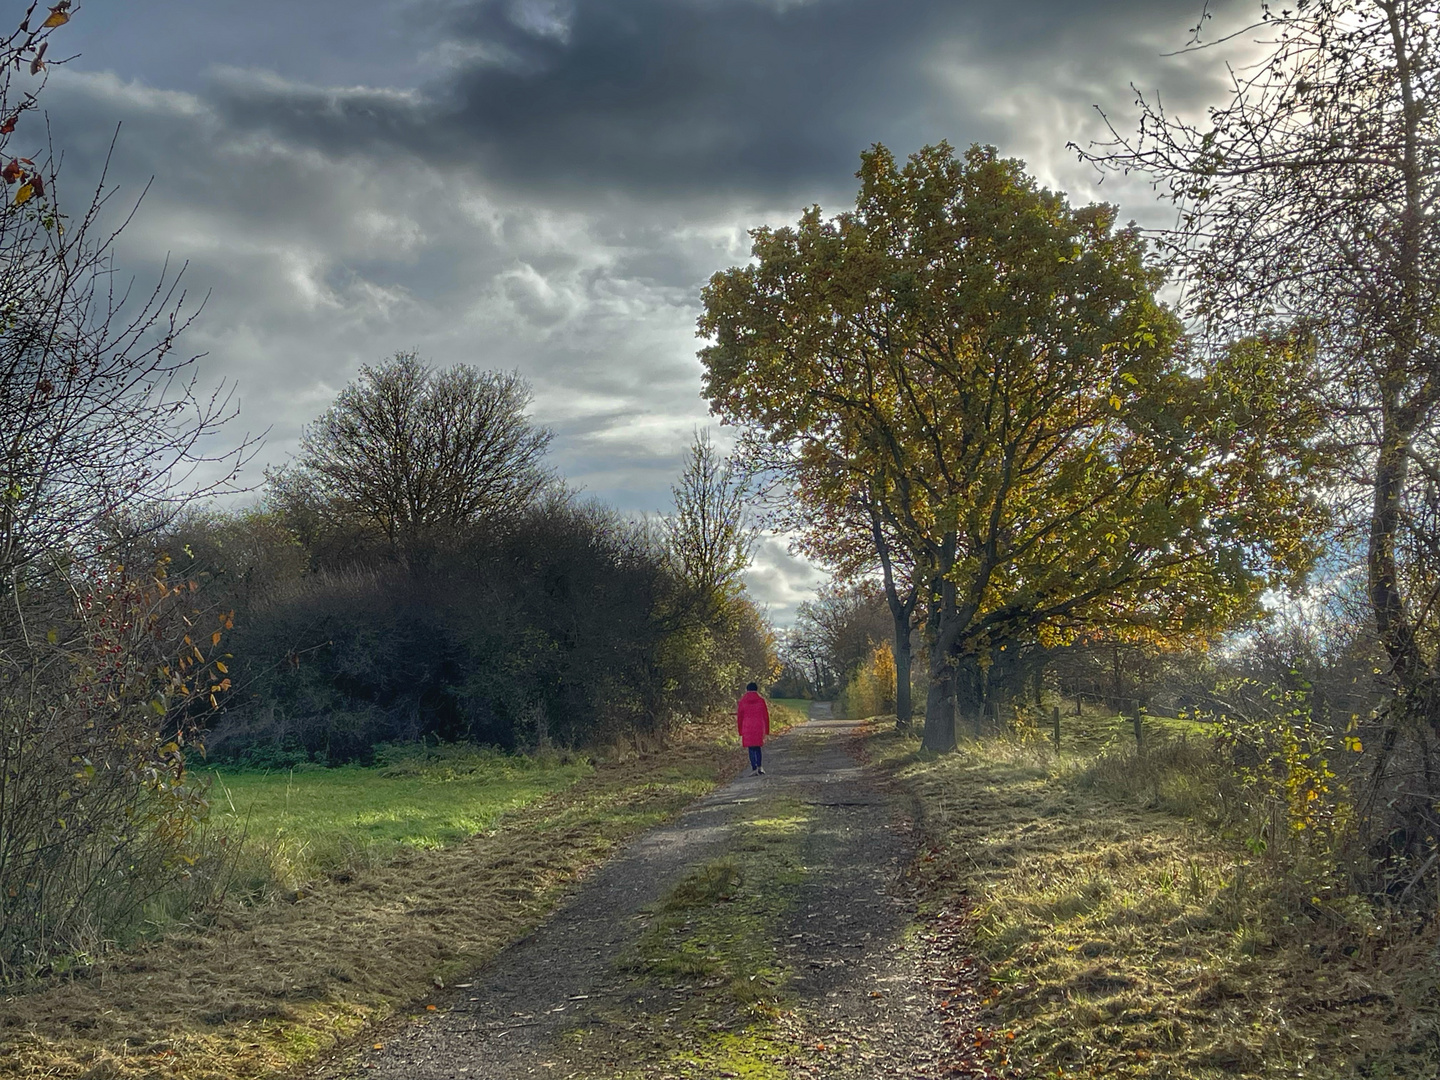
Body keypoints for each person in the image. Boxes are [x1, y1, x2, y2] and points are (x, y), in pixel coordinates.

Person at [736, 682, 770, 776]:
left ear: (747, 690)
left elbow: (740, 717)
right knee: (758, 747)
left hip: (747, 726)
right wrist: (767, 730)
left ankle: (754, 768)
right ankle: (760, 767)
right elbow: (766, 716)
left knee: (751, 748)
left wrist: (740, 731)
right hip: (759, 726)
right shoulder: (761, 700)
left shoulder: (742, 701)